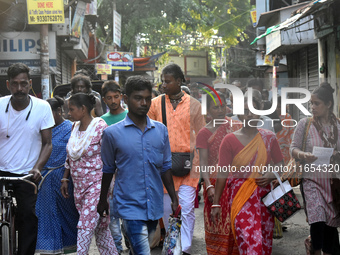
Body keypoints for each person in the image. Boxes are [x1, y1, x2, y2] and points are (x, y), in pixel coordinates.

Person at [97, 75, 179, 255]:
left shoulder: (160, 130)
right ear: (126, 99)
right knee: (143, 251)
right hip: (128, 205)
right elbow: (108, 169)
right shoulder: (112, 134)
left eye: (147, 98)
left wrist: (174, 198)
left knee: (140, 248)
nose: (144, 103)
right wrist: (103, 200)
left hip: (154, 205)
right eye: (138, 98)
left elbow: (165, 167)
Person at [211, 93, 283, 255]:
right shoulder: (229, 141)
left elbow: (280, 163)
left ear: (260, 111)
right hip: (240, 199)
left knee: (264, 243)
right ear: (238, 113)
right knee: (249, 244)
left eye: (254, 109)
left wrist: (272, 174)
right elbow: (222, 173)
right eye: (245, 110)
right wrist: (216, 204)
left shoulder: (269, 137)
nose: (250, 114)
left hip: (265, 200)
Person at [148, 63, 206, 254]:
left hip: (189, 165)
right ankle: (175, 245)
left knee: (188, 207)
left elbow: (202, 136)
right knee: (167, 210)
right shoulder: (155, 104)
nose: (163, 84)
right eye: (162, 81)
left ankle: (185, 247)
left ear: (179, 81)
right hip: (163, 166)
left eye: (168, 81)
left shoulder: (194, 105)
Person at [0, 63, 54, 255]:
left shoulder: (42, 107)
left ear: (30, 84)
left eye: (24, 84)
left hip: (27, 174)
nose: (20, 88)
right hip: (2, 171)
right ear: (8, 85)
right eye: (15, 84)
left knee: (29, 217)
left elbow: (48, 143)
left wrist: (38, 168)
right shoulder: (0, 105)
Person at [60, 93, 117, 255]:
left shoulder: (100, 128)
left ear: (83, 109)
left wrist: (105, 193)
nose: (68, 113)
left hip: (97, 186)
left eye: (71, 109)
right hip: (79, 188)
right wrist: (65, 177)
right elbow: (70, 155)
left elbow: (110, 160)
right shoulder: (74, 127)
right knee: (101, 233)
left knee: (85, 226)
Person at [290, 82, 340, 255]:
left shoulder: (338, 127)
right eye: (311, 103)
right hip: (311, 181)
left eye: (316, 103)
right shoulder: (305, 125)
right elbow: (293, 149)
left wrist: (336, 154)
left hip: (332, 183)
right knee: (317, 220)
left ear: (328, 104)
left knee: (330, 226)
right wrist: (304, 155)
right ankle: (315, 251)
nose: (312, 107)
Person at [196, 92, 241, 255]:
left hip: (237, 186)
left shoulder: (236, 126)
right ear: (207, 110)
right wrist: (208, 187)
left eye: (223, 105)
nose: (221, 110)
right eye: (216, 107)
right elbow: (203, 163)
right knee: (218, 228)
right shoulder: (204, 133)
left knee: (237, 228)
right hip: (216, 189)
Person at [36, 96, 79, 254]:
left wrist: (66, 177)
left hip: (65, 181)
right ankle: (48, 249)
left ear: (59, 111)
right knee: (45, 217)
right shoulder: (42, 130)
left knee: (67, 216)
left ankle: (69, 248)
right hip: (44, 182)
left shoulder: (71, 128)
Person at [100, 80, 127, 254]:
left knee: (129, 216)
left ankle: (131, 244)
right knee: (112, 217)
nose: (113, 101)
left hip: (127, 173)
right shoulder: (101, 121)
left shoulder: (130, 116)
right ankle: (117, 249)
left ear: (121, 96)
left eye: (116, 97)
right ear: (104, 100)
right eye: (109, 98)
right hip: (110, 174)